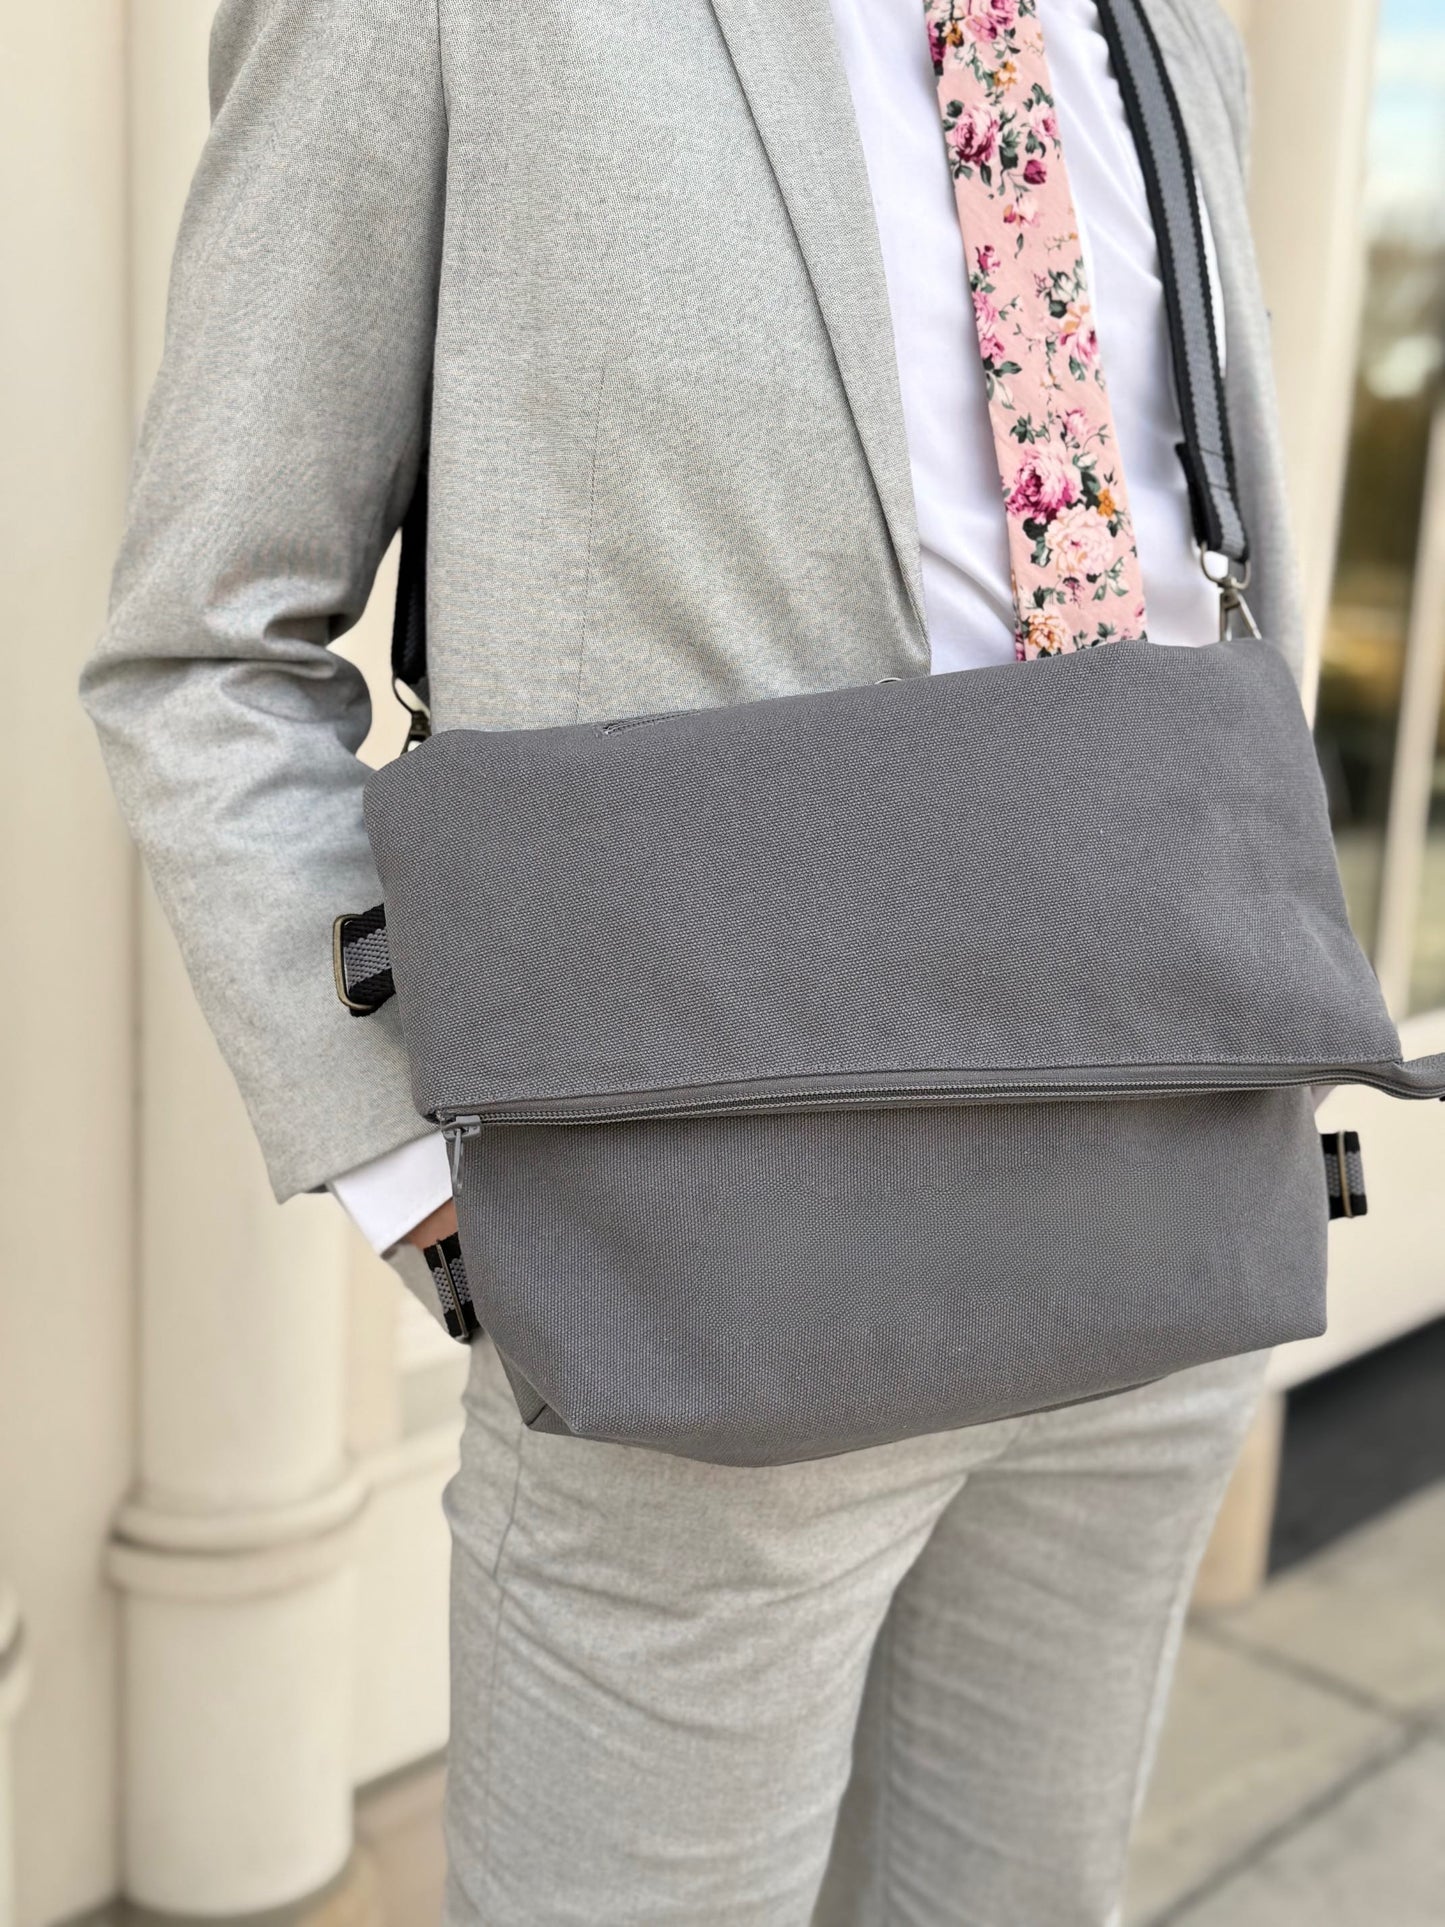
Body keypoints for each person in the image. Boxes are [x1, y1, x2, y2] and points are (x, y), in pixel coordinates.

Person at [83, 0, 1300, 1919]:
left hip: (1168, 1242)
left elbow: (1198, 560)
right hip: (702, 1310)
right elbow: (209, 650)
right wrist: (424, 1180)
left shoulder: (1166, 29)